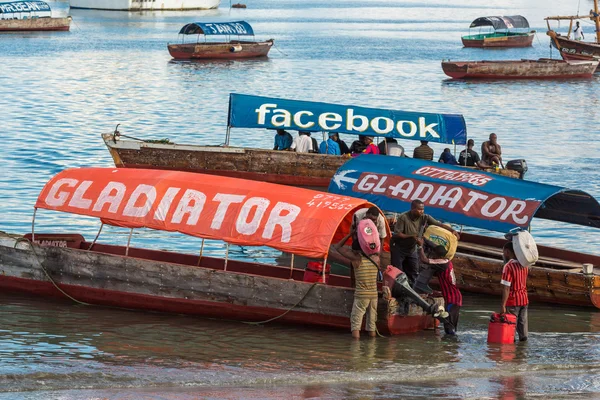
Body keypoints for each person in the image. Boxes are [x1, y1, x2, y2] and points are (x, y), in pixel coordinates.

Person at [330, 222, 381, 339]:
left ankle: (356, 350)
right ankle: (371, 351)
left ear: (356, 251)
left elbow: (337, 247)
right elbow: (375, 245)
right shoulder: (376, 258)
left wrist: (350, 234)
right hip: (374, 296)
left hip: (361, 296)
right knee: (372, 325)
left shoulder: (356, 259)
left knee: (356, 324)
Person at [391, 200, 460, 286]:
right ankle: (395, 291)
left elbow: (439, 224)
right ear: (413, 209)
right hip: (400, 249)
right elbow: (397, 234)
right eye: (419, 209)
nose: (422, 211)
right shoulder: (403, 217)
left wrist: (453, 230)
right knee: (398, 272)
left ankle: (411, 291)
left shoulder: (425, 217)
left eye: (423, 209)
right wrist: (411, 236)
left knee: (414, 272)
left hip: (412, 249)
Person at [417, 246, 462, 335]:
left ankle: (449, 345)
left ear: (438, 255)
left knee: (448, 324)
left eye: (434, 255)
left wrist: (420, 246)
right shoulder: (447, 262)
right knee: (450, 324)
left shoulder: (442, 263)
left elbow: (424, 260)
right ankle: (450, 345)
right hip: (454, 296)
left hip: (452, 298)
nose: (433, 256)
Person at [500, 241, 529, 342]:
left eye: (503, 252)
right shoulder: (525, 264)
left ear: (507, 252)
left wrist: (503, 305)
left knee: (510, 331)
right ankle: (522, 353)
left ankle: (511, 354)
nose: (503, 254)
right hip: (524, 299)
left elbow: (506, 288)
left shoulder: (508, 266)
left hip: (513, 301)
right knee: (523, 331)